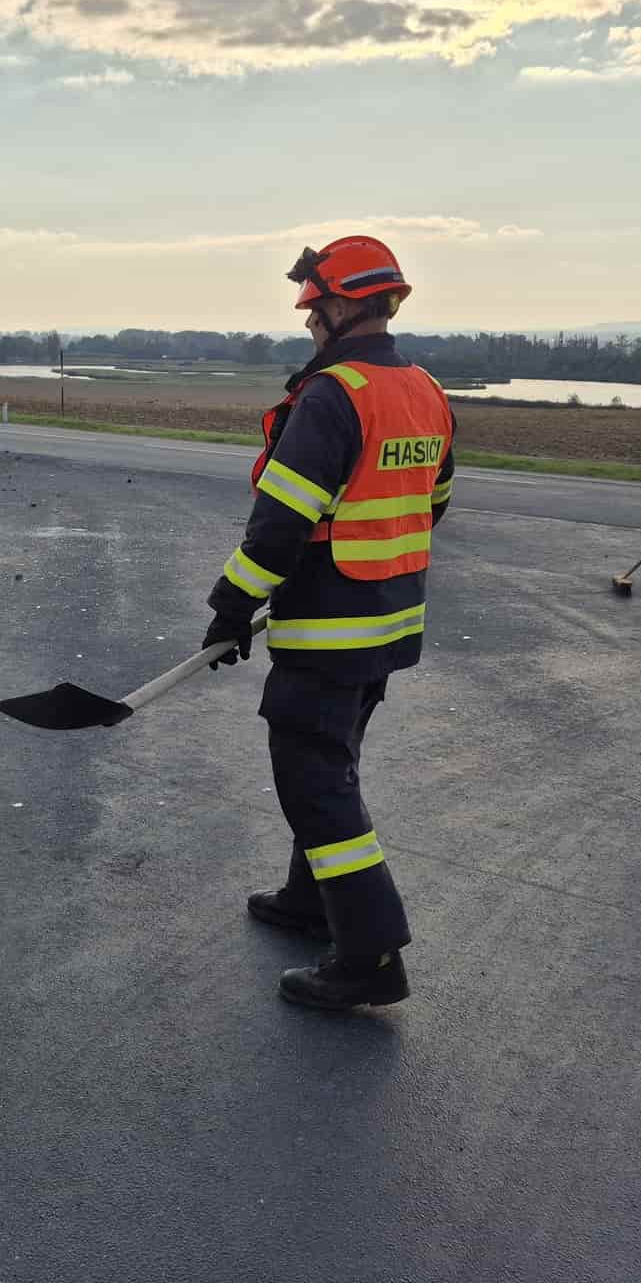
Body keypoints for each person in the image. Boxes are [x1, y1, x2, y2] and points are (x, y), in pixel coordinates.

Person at [202, 236, 456, 1011]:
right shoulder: (424, 388)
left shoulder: (333, 394)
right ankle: (308, 900)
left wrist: (232, 604)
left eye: (314, 309)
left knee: (315, 782)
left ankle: (370, 956)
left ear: (344, 306)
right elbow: (434, 500)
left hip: (330, 629)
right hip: (388, 623)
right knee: (330, 762)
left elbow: (281, 521)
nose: (309, 323)